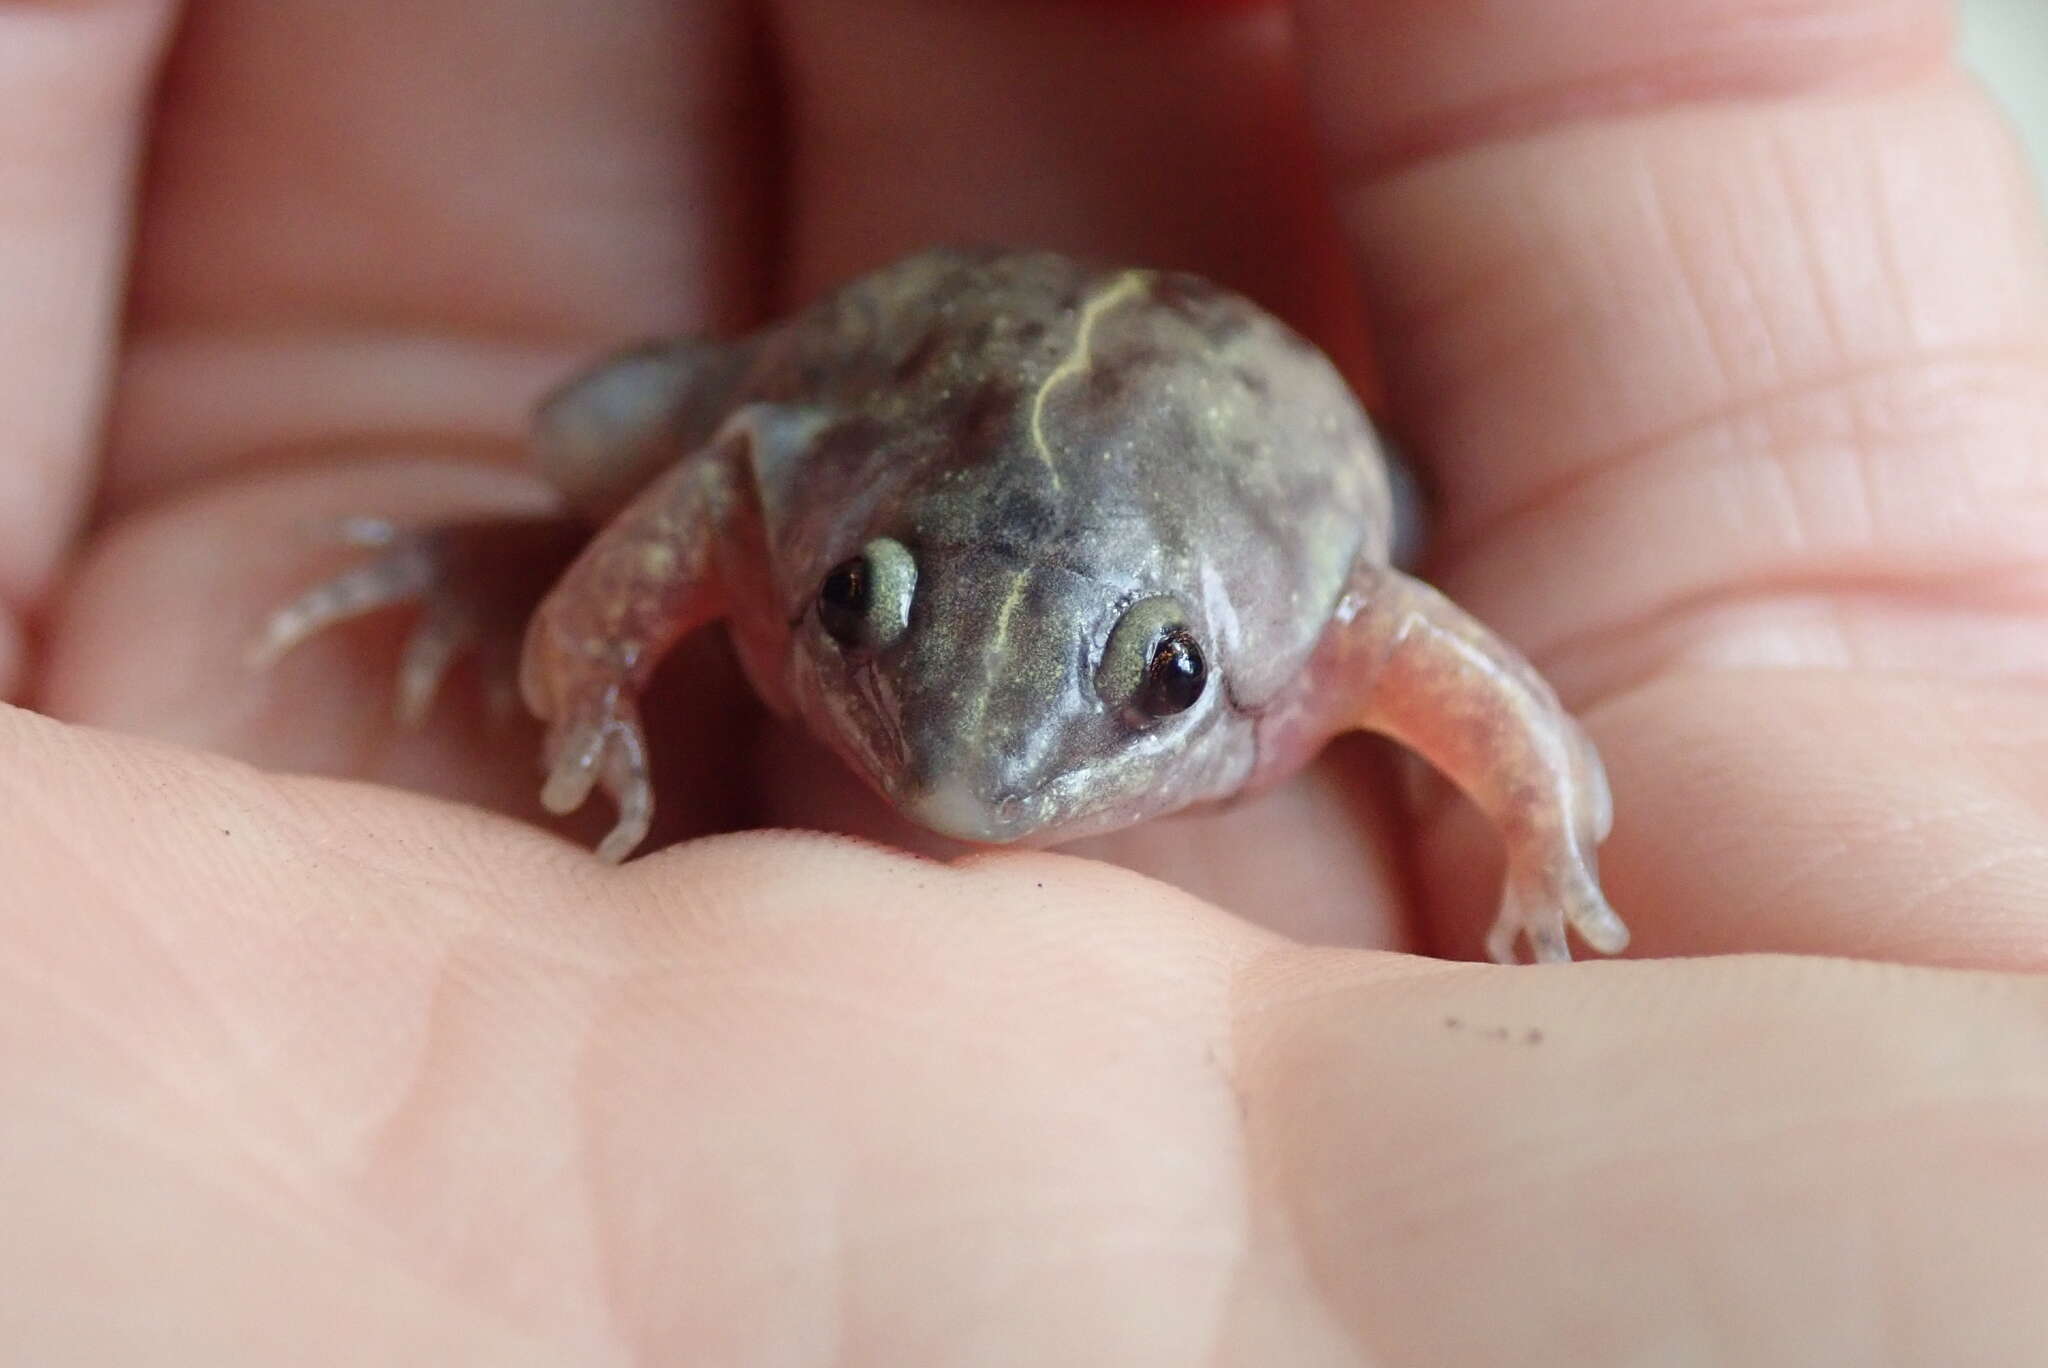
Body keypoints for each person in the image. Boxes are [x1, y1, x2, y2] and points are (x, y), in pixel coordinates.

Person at [6, 0, 2045, 1358]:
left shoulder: (1333, 619)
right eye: (867, 619)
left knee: (1408, 497)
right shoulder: (774, 490)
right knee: (580, 432)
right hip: (903, 376)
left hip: (1236, 456)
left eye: (1153, 687)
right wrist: (591, 671)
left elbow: (1492, 700)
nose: (970, 772)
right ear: (825, 564)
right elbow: (722, 464)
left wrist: (1544, 851)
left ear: (1252, 665)